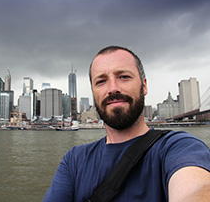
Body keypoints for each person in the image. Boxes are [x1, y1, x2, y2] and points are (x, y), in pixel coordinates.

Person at [43, 46, 210, 202]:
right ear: (93, 92)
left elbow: (196, 188)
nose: (113, 88)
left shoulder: (180, 147)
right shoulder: (74, 160)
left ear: (144, 86)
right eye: (101, 81)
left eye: (124, 77)